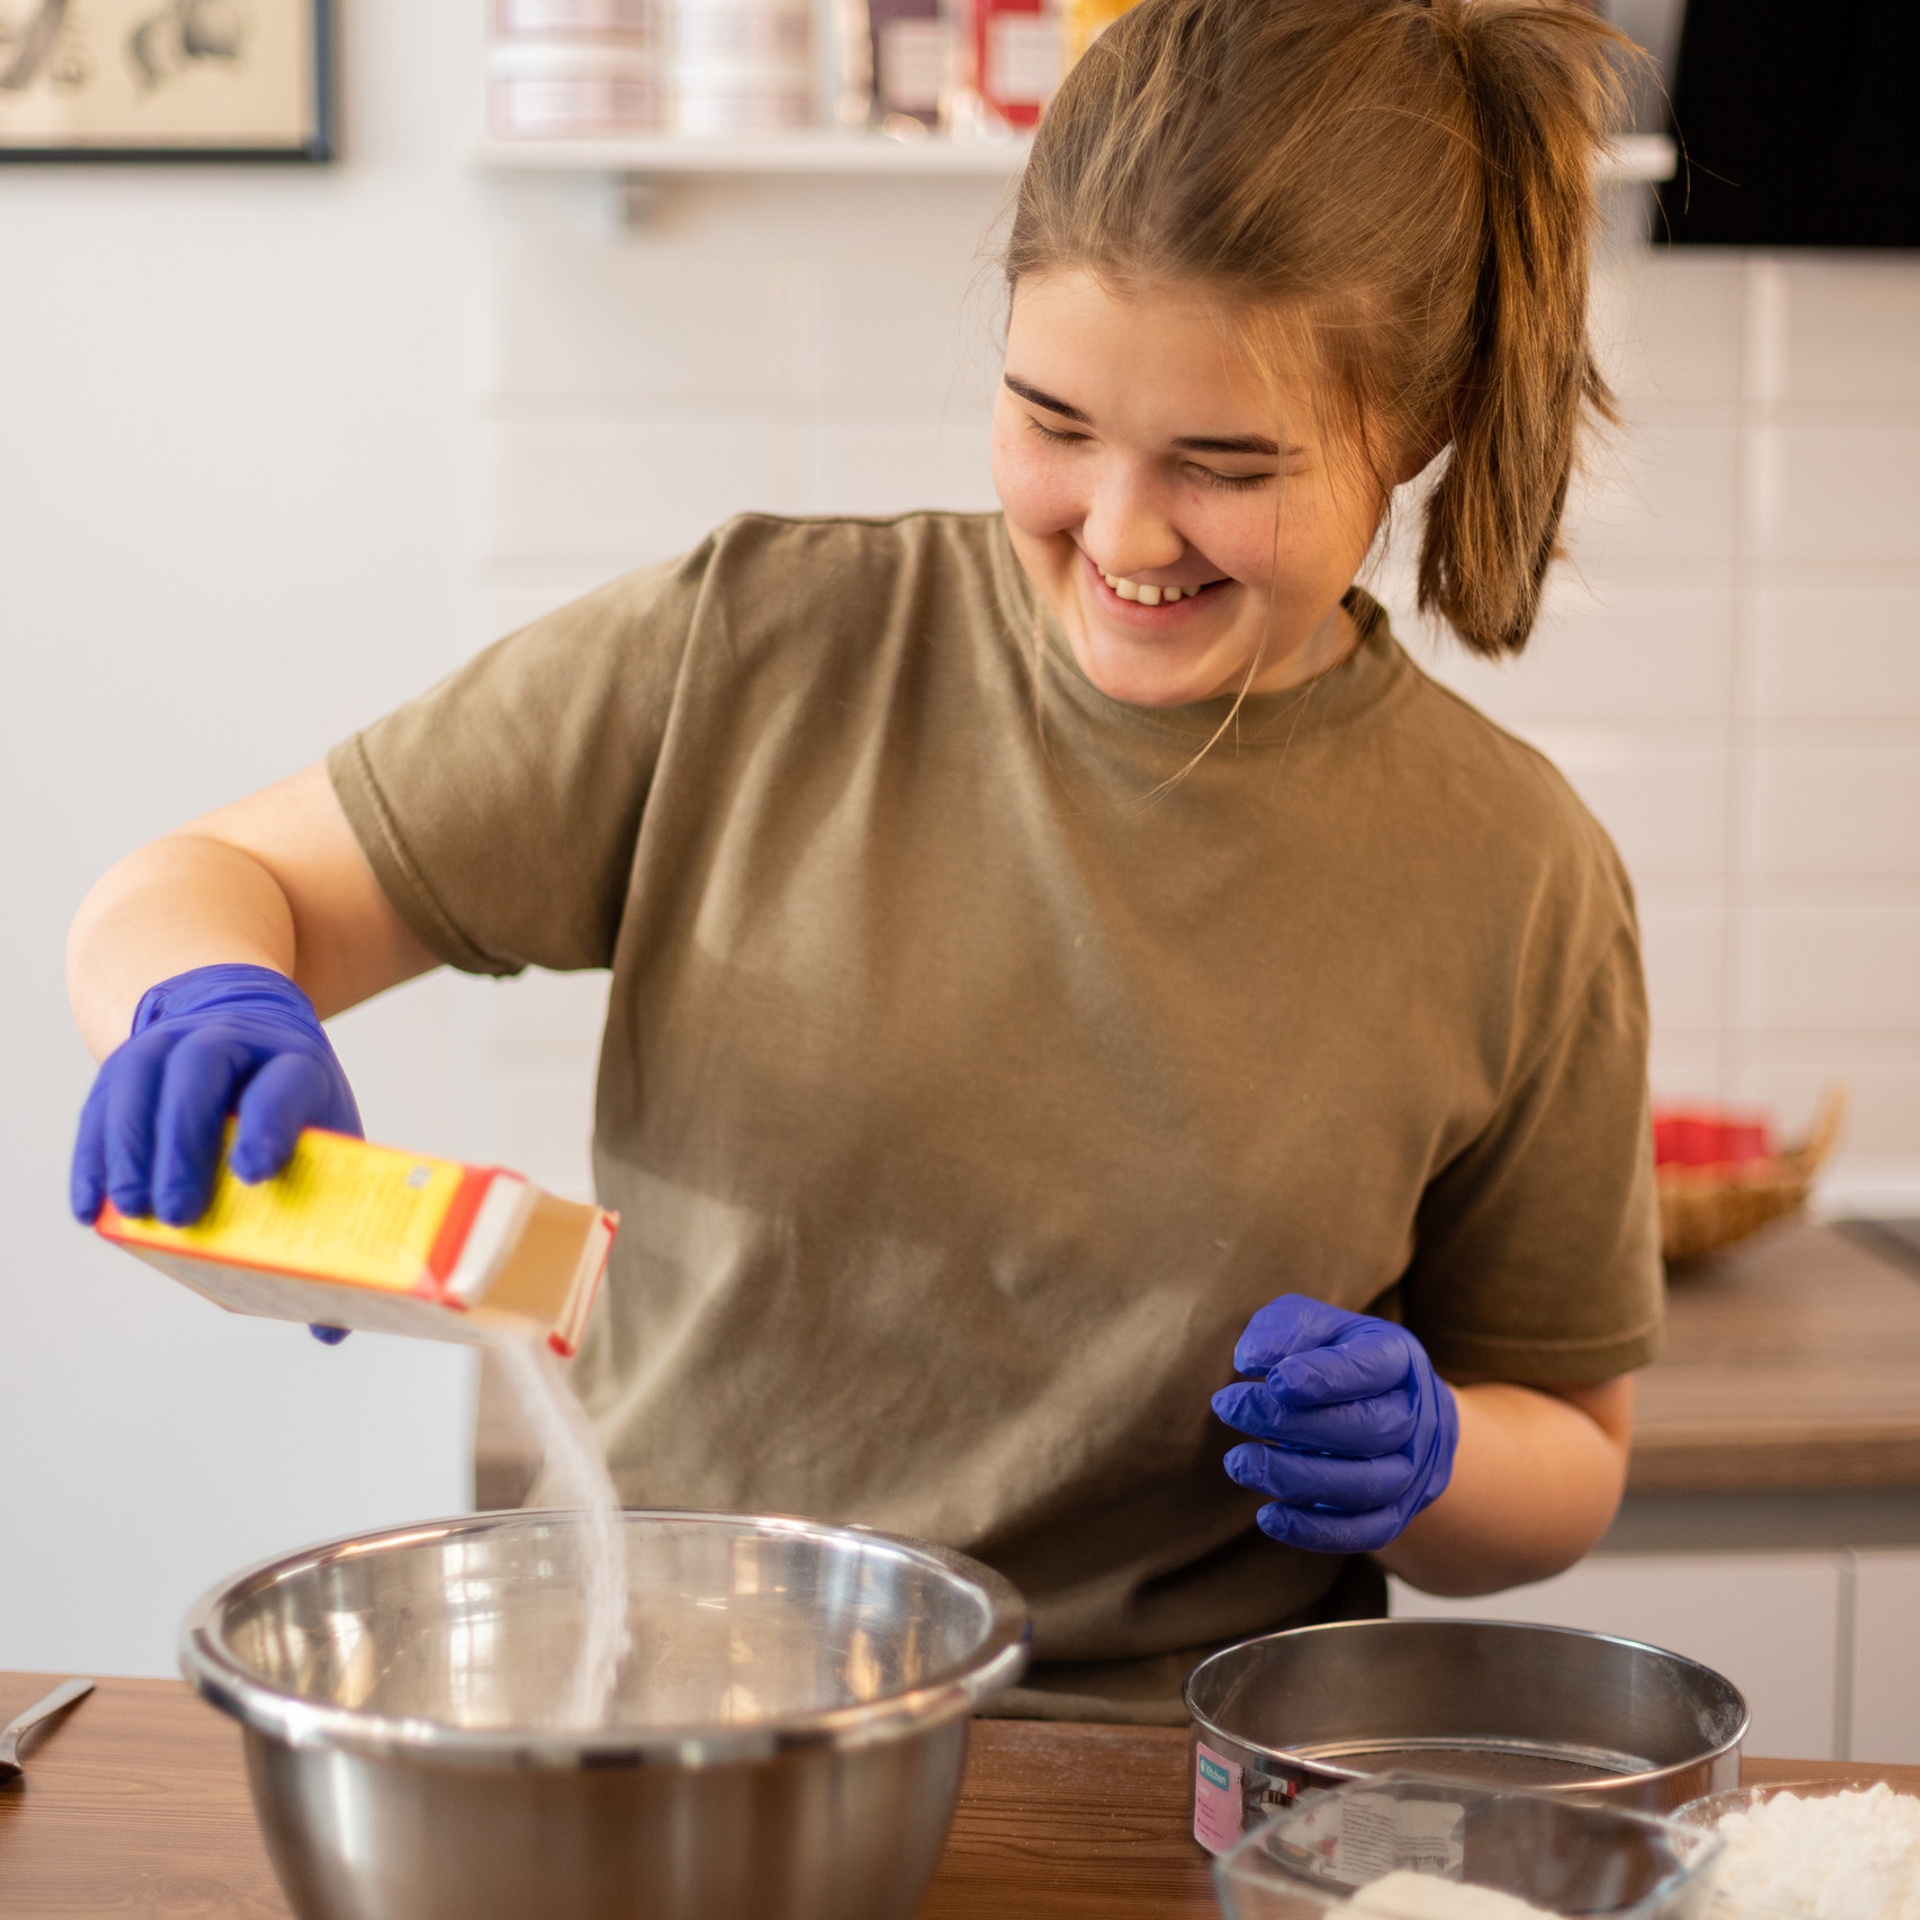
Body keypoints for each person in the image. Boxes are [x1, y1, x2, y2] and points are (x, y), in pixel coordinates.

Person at [67, 0, 1659, 1723]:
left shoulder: (1517, 873)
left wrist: (1432, 1461)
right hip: (649, 1721)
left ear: (1409, 429)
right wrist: (201, 994)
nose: (1121, 532)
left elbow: (1566, 1449)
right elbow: (221, 876)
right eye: (1053, 423)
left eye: (1224, 467)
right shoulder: (755, 650)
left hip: (1145, 1794)